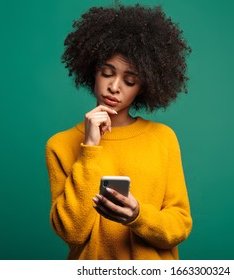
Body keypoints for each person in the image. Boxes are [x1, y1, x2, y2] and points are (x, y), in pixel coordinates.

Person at [45, 4, 192, 260]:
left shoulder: (162, 138)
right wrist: (90, 148)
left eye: (129, 80)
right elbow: (72, 232)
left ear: (143, 86)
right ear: (92, 71)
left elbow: (179, 226)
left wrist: (138, 216)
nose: (114, 87)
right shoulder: (60, 144)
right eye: (107, 73)